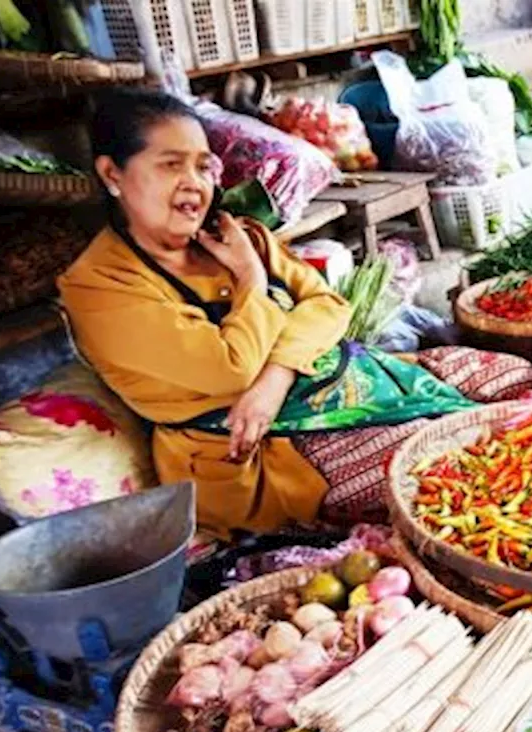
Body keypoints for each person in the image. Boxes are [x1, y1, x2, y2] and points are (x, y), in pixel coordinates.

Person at [59, 90, 474, 538]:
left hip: (335, 381)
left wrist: (276, 375)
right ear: (112, 174)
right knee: (460, 462)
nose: (194, 183)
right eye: (170, 165)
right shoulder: (101, 287)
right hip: (261, 457)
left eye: (202, 166)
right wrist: (252, 281)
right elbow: (231, 370)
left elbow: (328, 305)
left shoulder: (232, 235)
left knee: (513, 381)